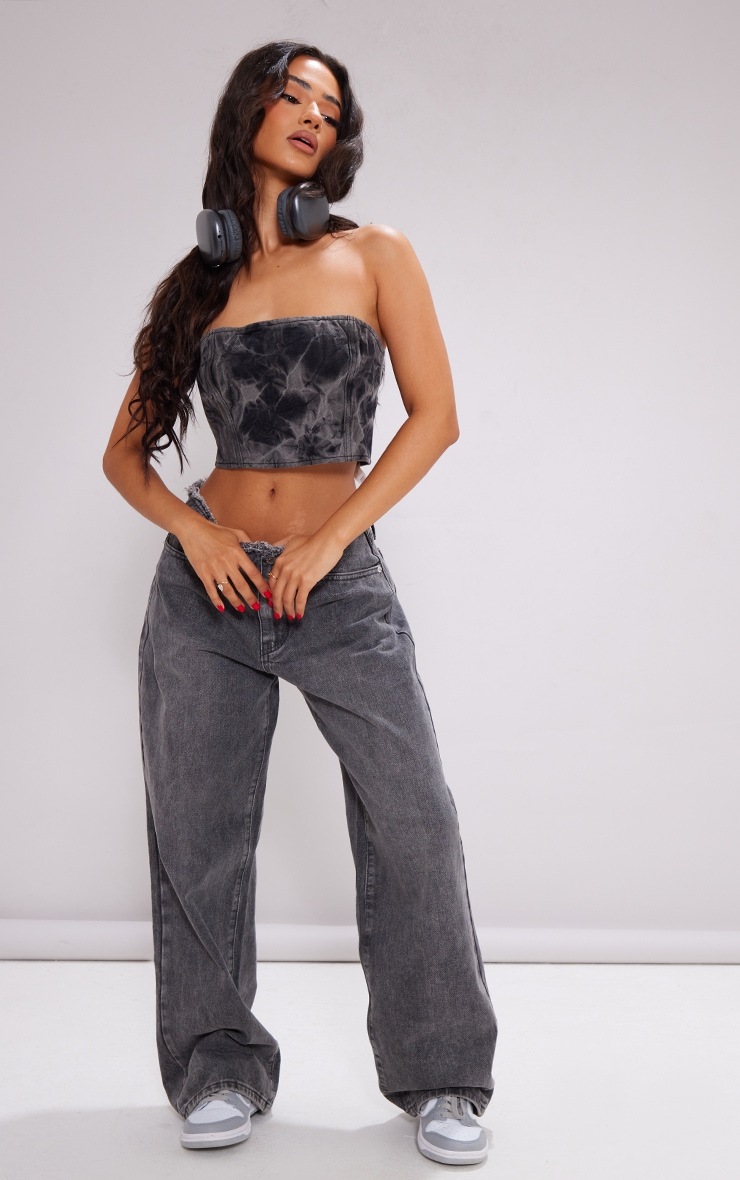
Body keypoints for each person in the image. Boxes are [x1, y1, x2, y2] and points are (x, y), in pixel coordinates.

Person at [102, 39, 497, 1165]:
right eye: (292, 93)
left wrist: (328, 541)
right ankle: (216, 1065)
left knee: (413, 816)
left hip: (336, 583)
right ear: (248, 111)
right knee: (198, 833)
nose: (313, 113)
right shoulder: (199, 286)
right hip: (209, 592)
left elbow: (435, 416)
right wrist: (193, 530)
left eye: (329, 104)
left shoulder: (375, 254)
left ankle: (440, 1075)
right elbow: (123, 456)